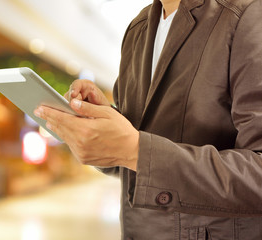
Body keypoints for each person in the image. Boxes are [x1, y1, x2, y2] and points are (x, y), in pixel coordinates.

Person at [34, 0, 262, 238]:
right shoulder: (139, 28)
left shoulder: (244, 13)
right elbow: (134, 160)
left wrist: (137, 151)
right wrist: (104, 127)